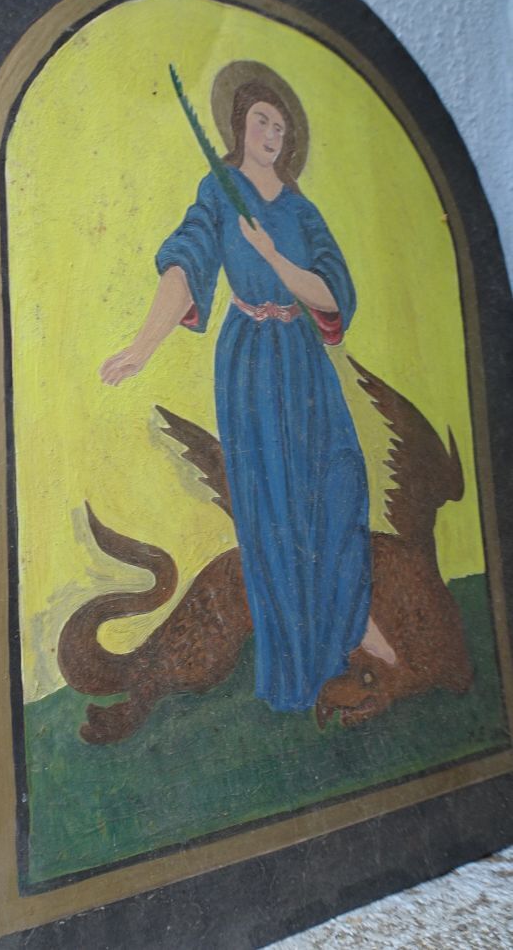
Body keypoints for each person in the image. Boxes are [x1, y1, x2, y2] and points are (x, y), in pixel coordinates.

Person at [101, 61, 395, 713]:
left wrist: (272, 256)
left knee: (341, 482)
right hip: (251, 362)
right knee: (274, 508)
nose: (271, 133)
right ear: (239, 125)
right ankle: (298, 667)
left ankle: (349, 626)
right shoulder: (219, 190)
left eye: (280, 126)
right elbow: (186, 262)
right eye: (262, 120)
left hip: (302, 357)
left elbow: (332, 293)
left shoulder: (299, 208)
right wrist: (143, 346)